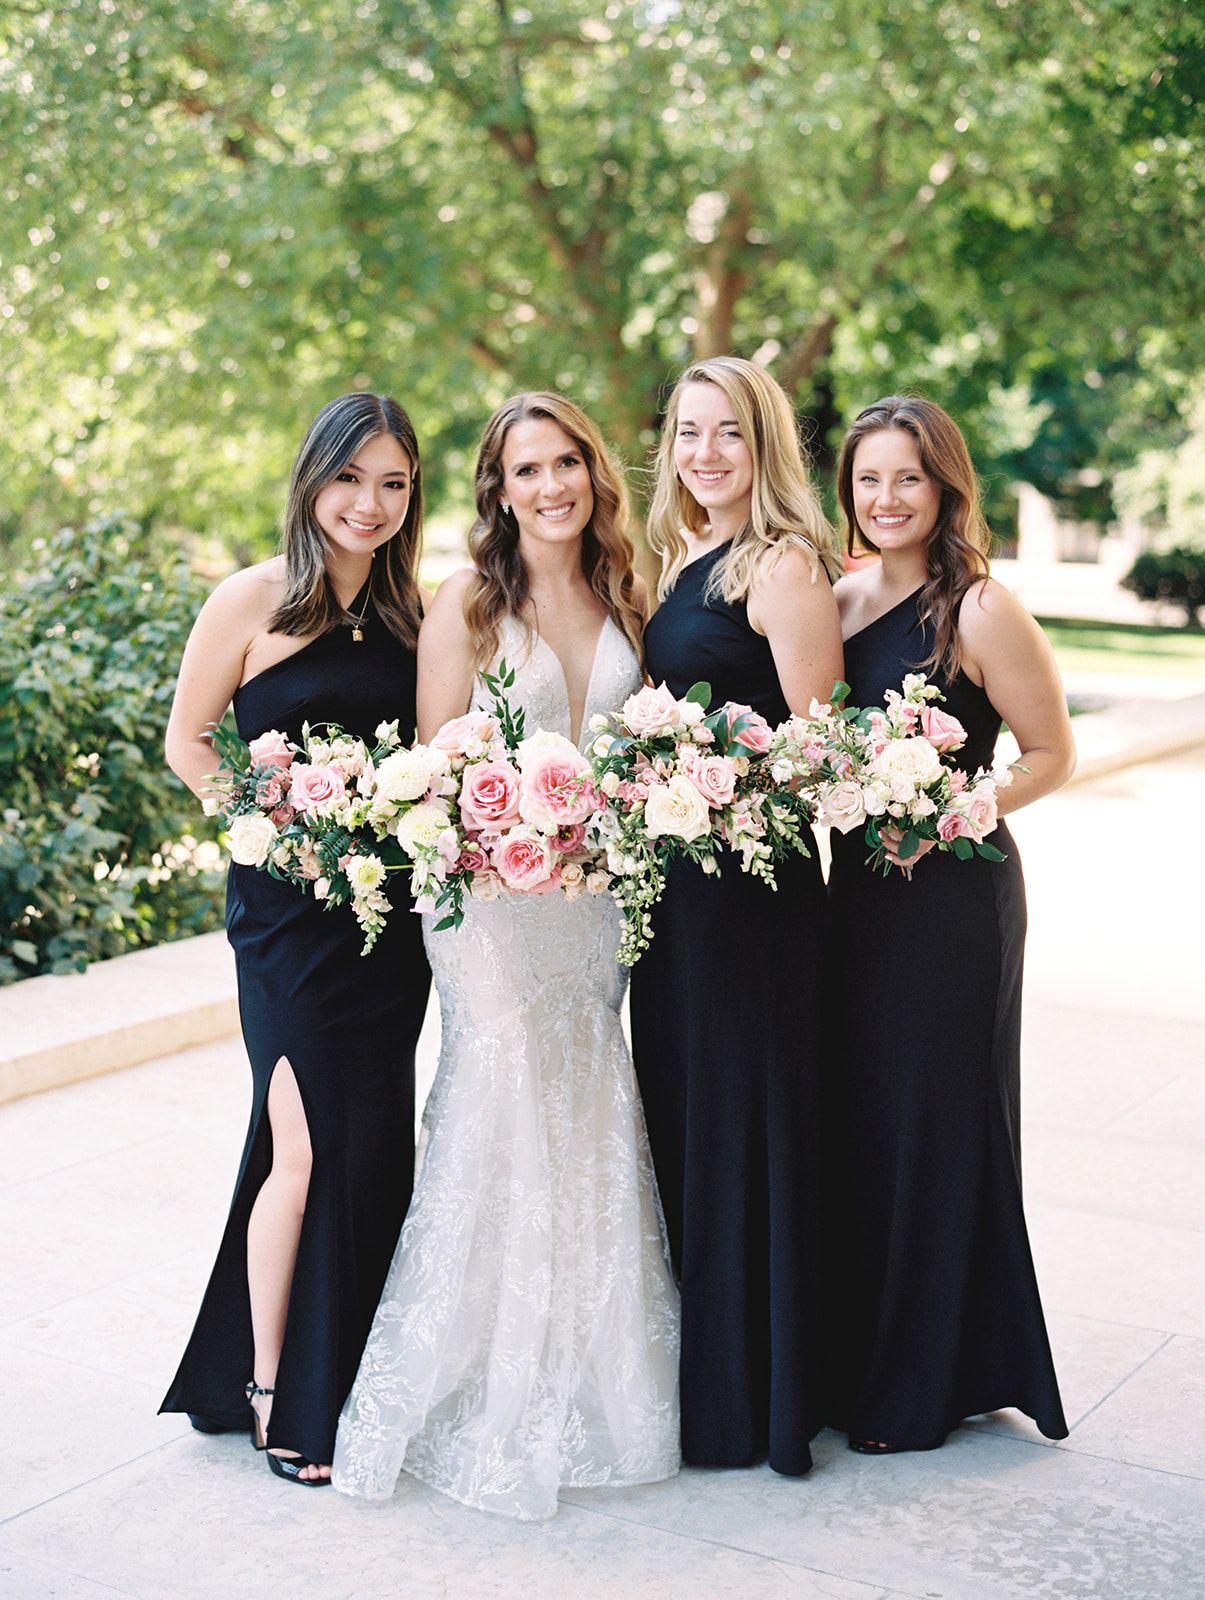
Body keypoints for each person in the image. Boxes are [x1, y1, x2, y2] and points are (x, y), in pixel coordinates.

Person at [332, 392, 680, 1521]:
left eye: (566, 462)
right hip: (487, 906)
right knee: (504, 1102)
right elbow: (436, 766)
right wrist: (514, 837)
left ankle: (589, 1373)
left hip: (594, 912)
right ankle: (478, 1380)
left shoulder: (632, 591)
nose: (549, 486)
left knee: (584, 1109)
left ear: (593, 472)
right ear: (498, 487)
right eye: (525, 469)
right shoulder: (470, 602)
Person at [160, 392, 432, 1485]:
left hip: (385, 920)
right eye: (349, 478)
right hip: (282, 916)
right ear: (311, 478)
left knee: (365, 1145)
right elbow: (188, 740)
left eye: (392, 483)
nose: (366, 504)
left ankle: (349, 1368)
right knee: (303, 1142)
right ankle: (273, 1383)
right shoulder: (252, 598)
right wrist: (271, 830)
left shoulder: (418, 618)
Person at [824, 393, 1074, 1453]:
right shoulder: (832, 602)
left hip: (954, 900)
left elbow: (1049, 752)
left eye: (908, 478)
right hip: (857, 902)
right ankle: (864, 1354)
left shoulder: (975, 607)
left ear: (943, 488)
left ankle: (923, 1384)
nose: (887, 498)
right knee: (863, 1121)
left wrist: (952, 812)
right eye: (869, 478)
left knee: (935, 1124)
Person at [628, 355, 844, 1476]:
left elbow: (821, 750)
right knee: (684, 1117)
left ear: (764, 448)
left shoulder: (781, 566)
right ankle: (703, 1374)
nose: (704, 454)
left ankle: (755, 1397)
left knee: (740, 1124)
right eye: (686, 434)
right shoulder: (681, 559)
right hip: (676, 897)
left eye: (728, 435)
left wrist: (712, 777)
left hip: (750, 898)